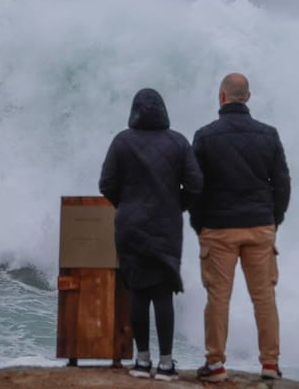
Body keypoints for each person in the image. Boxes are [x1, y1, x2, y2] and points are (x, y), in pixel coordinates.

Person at [190, 73, 291, 383]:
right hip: (260, 226)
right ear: (247, 98)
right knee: (264, 298)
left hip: (218, 228)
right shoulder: (268, 135)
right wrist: (273, 220)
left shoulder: (205, 136)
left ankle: (216, 364)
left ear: (222, 96)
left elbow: (195, 186)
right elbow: (283, 184)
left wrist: (199, 223)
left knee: (218, 298)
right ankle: (270, 364)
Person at [99, 88, 203, 382]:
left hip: (129, 226)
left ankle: (142, 361)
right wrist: (175, 205)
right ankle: (166, 363)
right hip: (165, 226)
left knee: (138, 292)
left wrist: (127, 206)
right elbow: (195, 185)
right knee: (162, 292)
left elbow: (106, 183)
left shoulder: (122, 142)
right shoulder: (178, 142)